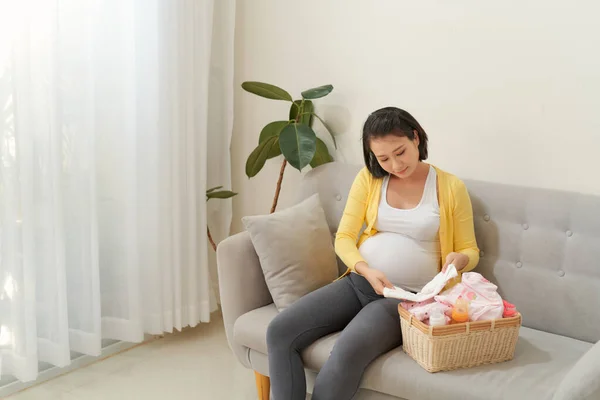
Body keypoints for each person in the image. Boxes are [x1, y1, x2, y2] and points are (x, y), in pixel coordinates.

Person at [266, 107, 480, 400]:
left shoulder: (450, 187)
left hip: (406, 299)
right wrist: (365, 269)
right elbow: (344, 238)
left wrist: (461, 260)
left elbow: (470, 249)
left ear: (415, 138)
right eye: (383, 158)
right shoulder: (370, 179)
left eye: (400, 152)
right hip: (359, 283)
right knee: (280, 331)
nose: (395, 164)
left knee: (348, 349)